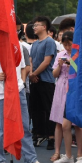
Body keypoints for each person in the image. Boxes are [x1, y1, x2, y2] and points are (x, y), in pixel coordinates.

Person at [0, 27, 50, 163]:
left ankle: (31, 159)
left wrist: (21, 82)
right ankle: (0, 160)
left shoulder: (17, 45)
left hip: (17, 91)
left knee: (24, 126)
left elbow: (23, 67)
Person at [50, 31, 82, 163]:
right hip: (62, 88)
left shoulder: (79, 54)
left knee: (78, 125)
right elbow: (54, 74)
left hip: (75, 90)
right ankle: (68, 156)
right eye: (65, 45)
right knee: (64, 124)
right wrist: (60, 65)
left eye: (69, 44)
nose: (67, 47)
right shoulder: (60, 54)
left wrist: (72, 64)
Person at [29, 16, 58, 150]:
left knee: (49, 109)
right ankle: (39, 133)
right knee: (36, 109)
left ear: (44, 27)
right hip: (35, 81)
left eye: (37, 25)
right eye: (33, 26)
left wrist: (34, 73)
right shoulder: (34, 44)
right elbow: (30, 60)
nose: (34, 28)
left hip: (46, 80)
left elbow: (47, 62)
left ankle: (51, 136)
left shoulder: (49, 41)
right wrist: (31, 74)